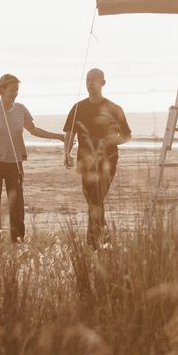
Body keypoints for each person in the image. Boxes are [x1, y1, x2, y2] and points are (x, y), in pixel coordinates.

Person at [0, 74, 60, 247]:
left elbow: (34, 130)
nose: (15, 93)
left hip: (15, 164)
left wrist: (59, 137)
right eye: (11, 90)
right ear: (1, 90)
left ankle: (18, 245)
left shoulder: (21, 109)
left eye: (17, 90)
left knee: (16, 210)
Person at [63, 68, 132, 248]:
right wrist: (66, 153)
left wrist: (108, 141)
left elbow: (126, 136)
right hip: (85, 161)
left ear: (103, 82)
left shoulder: (114, 108)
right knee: (93, 200)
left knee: (96, 199)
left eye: (94, 79)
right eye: (87, 79)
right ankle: (104, 236)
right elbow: (70, 133)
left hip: (108, 161)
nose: (90, 83)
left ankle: (93, 242)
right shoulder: (78, 107)